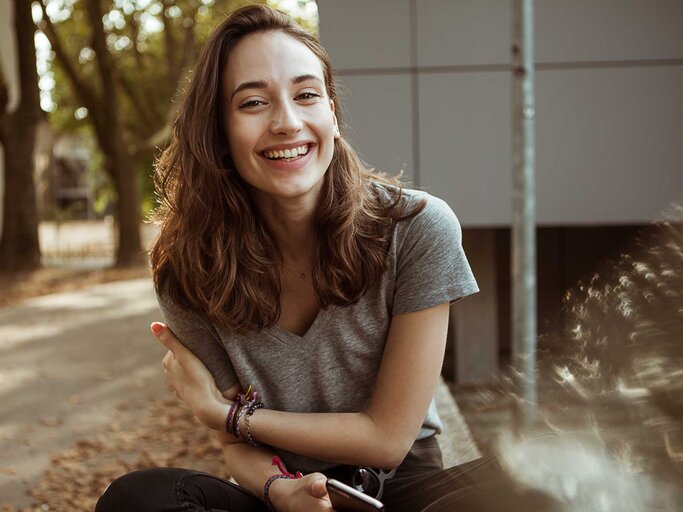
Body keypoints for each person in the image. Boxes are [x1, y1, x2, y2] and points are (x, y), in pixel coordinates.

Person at [95, 5, 562, 512]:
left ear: (332, 116)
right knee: (137, 499)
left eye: (306, 95)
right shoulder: (190, 267)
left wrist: (229, 415)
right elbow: (236, 451)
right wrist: (281, 491)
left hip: (403, 491)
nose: (287, 122)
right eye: (253, 102)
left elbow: (387, 438)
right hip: (285, 494)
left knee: (541, 479)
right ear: (220, 135)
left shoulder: (417, 229)